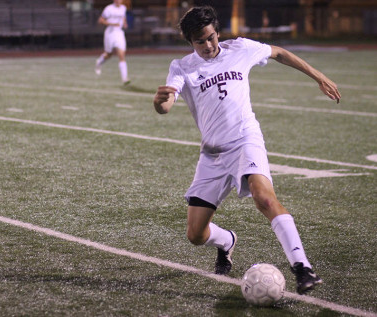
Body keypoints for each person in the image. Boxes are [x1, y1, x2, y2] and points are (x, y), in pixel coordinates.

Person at [153, 6, 341, 295]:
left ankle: (302, 266)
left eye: (211, 37)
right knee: (195, 235)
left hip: (245, 140)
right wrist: (160, 102)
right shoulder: (182, 67)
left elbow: (278, 52)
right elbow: (167, 105)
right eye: (200, 41)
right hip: (212, 155)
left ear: (218, 32)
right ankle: (226, 241)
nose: (208, 45)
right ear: (190, 42)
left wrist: (318, 76)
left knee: (264, 198)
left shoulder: (240, 48)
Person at [95, 0, 130, 85]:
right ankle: (99, 62)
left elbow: (123, 17)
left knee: (121, 54)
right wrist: (112, 24)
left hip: (119, 33)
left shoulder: (123, 8)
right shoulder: (108, 9)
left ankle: (125, 78)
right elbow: (100, 20)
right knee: (109, 54)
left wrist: (125, 23)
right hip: (110, 33)